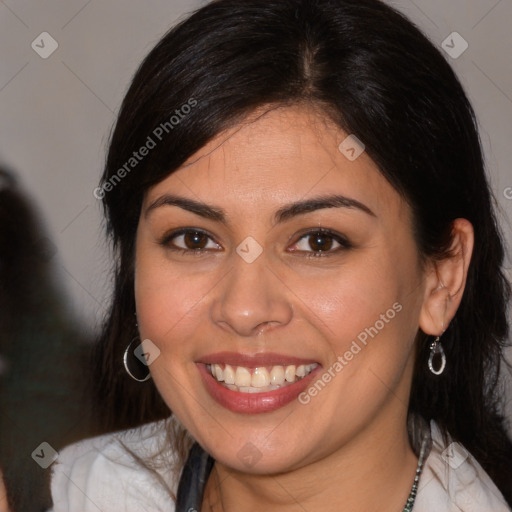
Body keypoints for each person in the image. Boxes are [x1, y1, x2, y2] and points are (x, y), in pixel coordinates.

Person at [48, 0, 512, 510]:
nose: (244, 309)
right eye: (194, 239)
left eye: (318, 241)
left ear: (442, 278)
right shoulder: (76, 492)